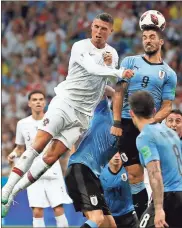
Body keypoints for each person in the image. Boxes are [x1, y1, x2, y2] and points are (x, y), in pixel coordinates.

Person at [2, 12, 134, 213]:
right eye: (96, 27)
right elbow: (92, 69)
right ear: (91, 26)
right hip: (64, 104)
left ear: (111, 31)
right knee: (37, 146)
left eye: (103, 29)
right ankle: (7, 188)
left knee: (50, 158)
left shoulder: (112, 55)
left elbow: (103, 84)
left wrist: (112, 73)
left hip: (82, 117)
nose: (99, 32)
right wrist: (117, 72)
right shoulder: (79, 47)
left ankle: (14, 193)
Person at [111, 25, 177, 219]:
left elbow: (167, 106)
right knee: (134, 175)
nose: (147, 40)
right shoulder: (130, 61)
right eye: (145, 37)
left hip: (150, 126)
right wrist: (116, 122)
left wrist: (151, 121)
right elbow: (118, 93)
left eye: (152, 37)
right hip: (126, 123)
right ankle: (142, 219)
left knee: (157, 171)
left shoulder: (169, 73)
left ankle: (162, 213)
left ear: (161, 42)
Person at [4, 90, 72, 227]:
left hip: (52, 169)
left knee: (58, 208)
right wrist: (14, 154)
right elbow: (20, 148)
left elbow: (66, 143)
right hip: (32, 172)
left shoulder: (54, 120)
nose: (38, 102)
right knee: (37, 211)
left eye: (41, 99)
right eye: (34, 100)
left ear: (45, 102)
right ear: (29, 103)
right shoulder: (22, 124)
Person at [65, 86, 119, 228]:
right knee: (97, 219)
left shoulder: (128, 133)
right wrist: (116, 93)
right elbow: (98, 86)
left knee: (109, 225)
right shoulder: (104, 112)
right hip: (81, 168)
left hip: (93, 176)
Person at [129, 90, 182, 228]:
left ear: (131, 113)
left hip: (169, 197)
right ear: (154, 110)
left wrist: (158, 209)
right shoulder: (171, 133)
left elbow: (154, 172)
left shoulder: (145, 136)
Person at [99, 152, 138, 228]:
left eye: (118, 153)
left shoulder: (129, 170)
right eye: (113, 153)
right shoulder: (100, 172)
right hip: (110, 217)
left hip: (129, 214)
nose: (116, 155)